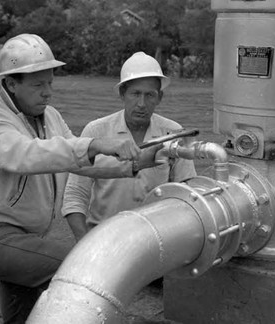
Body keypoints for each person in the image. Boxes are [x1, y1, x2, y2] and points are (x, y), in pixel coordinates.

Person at [0, 34, 160, 324]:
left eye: (50, 83)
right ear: (11, 84)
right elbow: (28, 154)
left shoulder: (50, 116)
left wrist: (132, 165)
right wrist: (94, 143)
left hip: (27, 241)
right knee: (80, 268)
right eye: (38, 85)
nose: (47, 93)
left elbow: (79, 162)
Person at [62, 51, 197, 244]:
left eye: (149, 95)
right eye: (135, 94)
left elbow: (187, 192)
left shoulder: (173, 132)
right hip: (103, 239)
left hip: (155, 243)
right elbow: (75, 195)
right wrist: (84, 244)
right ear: (122, 94)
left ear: (160, 97)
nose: (141, 104)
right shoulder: (97, 131)